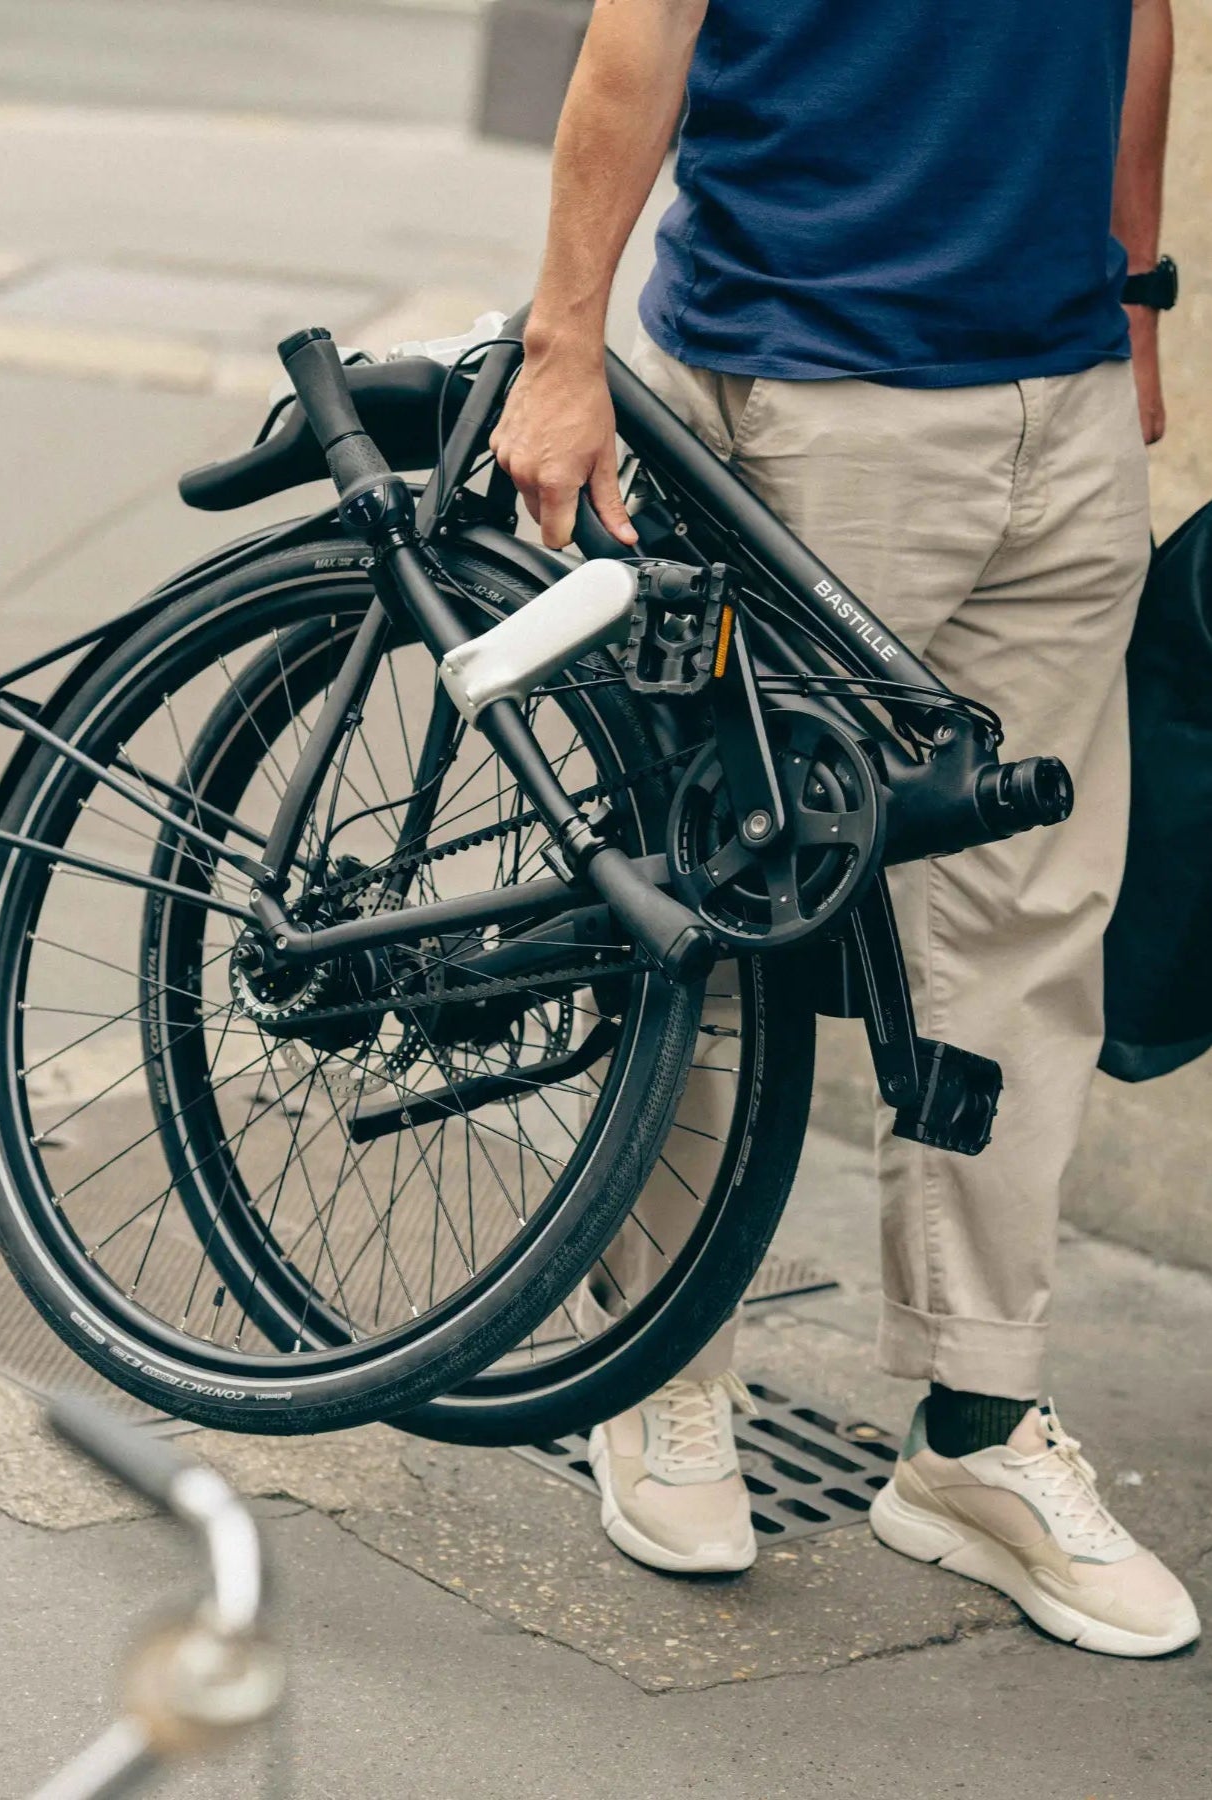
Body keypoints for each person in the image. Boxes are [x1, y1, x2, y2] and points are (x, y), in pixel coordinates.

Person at [491, 0, 1200, 1657]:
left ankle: (974, 1428)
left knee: (1024, 928)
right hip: (799, 387)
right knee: (727, 898)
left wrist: (1136, 294)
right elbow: (642, 25)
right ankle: (660, 1365)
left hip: (1061, 397)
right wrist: (564, 343)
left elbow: (1141, 21)